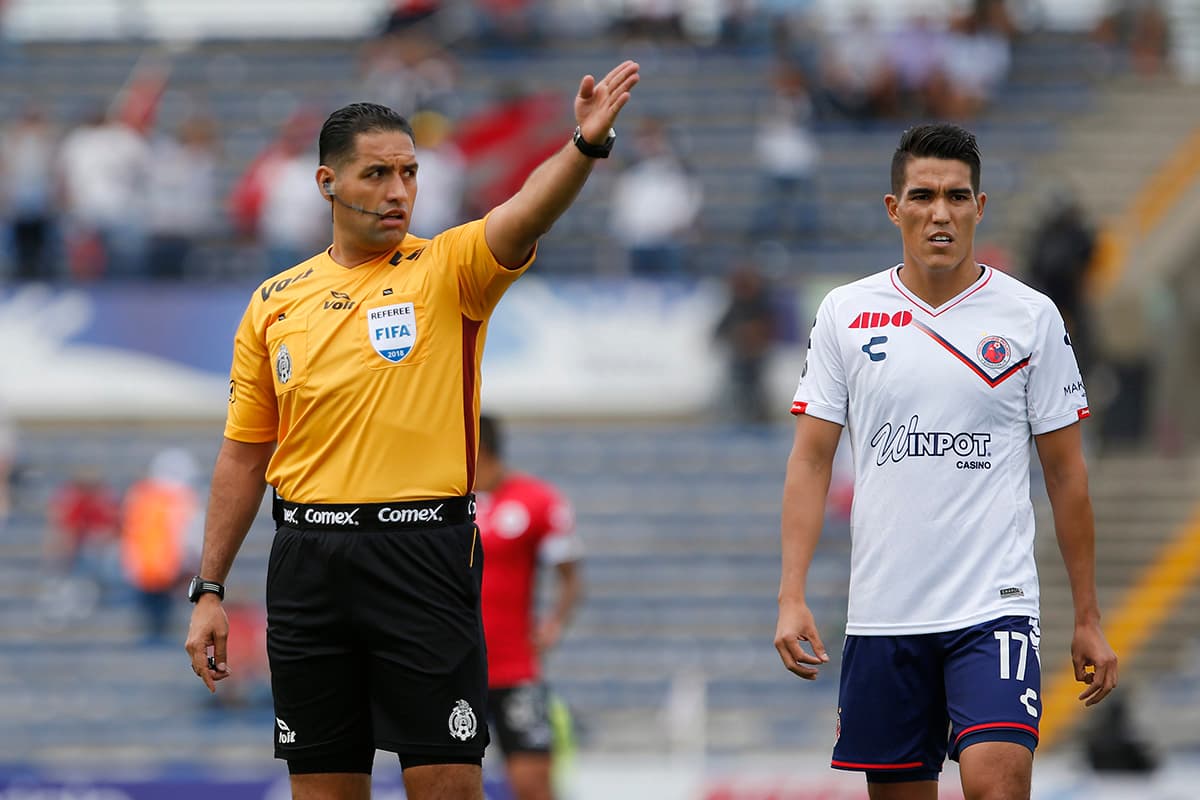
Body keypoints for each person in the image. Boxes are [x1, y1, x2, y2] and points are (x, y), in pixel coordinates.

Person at [184, 61, 639, 800]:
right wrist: (209, 588)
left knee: (450, 786)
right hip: (306, 561)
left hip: (422, 554)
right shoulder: (273, 303)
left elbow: (526, 211)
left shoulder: (448, 269)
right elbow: (243, 455)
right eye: (375, 174)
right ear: (327, 182)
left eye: (409, 173)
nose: (398, 192)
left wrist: (583, 146)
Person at [774, 123, 1118, 800]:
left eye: (957, 196)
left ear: (979, 207)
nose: (941, 212)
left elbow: (1066, 474)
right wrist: (790, 597)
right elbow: (811, 462)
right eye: (924, 195)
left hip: (994, 606)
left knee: (999, 775)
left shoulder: (1031, 317)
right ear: (893, 207)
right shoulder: (846, 314)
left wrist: (1087, 614)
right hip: (884, 613)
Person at [474, 414, 582, 800]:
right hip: (452, 670)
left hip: (515, 670)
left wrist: (553, 624)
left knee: (533, 782)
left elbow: (570, 575)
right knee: (446, 782)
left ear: (476, 448)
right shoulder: (441, 505)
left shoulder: (537, 500)